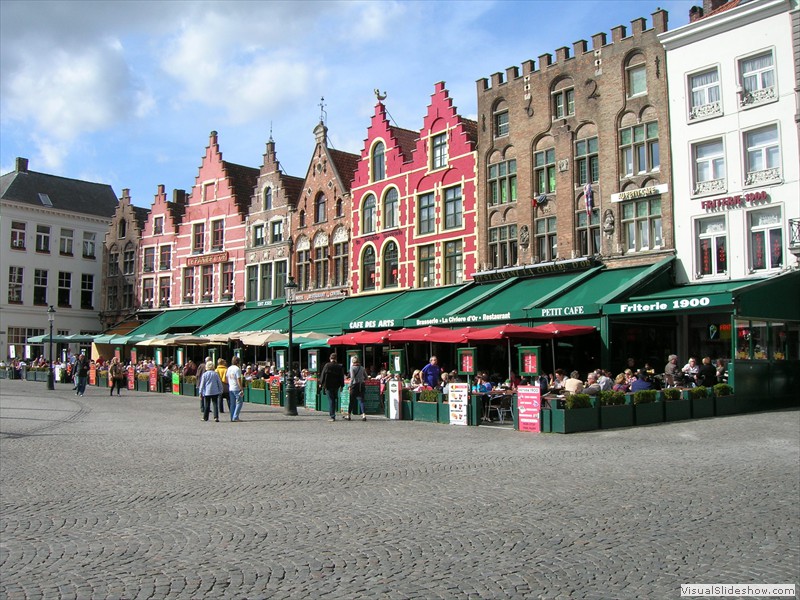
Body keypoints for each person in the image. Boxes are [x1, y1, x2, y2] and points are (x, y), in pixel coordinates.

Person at [319, 353, 345, 422]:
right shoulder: (339, 366)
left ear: (330, 358)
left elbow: (323, 374)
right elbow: (341, 377)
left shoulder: (327, 365)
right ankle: (334, 412)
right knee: (334, 399)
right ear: (336, 359)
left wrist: (321, 383)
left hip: (328, 385)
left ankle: (332, 416)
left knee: (331, 400)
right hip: (336, 385)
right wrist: (342, 385)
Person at [347, 357, 368, 421]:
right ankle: (364, 415)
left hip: (354, 385)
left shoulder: (352, 368)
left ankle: (349, 415)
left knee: (351, 401)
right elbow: (366, 377)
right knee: (361, 401)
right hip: (361, 385)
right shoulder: (362, 368)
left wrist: (349, 386)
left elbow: (352, 378)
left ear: (353, 362)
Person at [226, 356, 244, 422]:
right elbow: (238, 379)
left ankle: (232, 416)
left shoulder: (229, 368)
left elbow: (227, 378)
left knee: (232, 403)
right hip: (236, 387)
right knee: (239, 402)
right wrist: (241, 388)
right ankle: (235, 416)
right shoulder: (237, 369)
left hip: (231, 387)